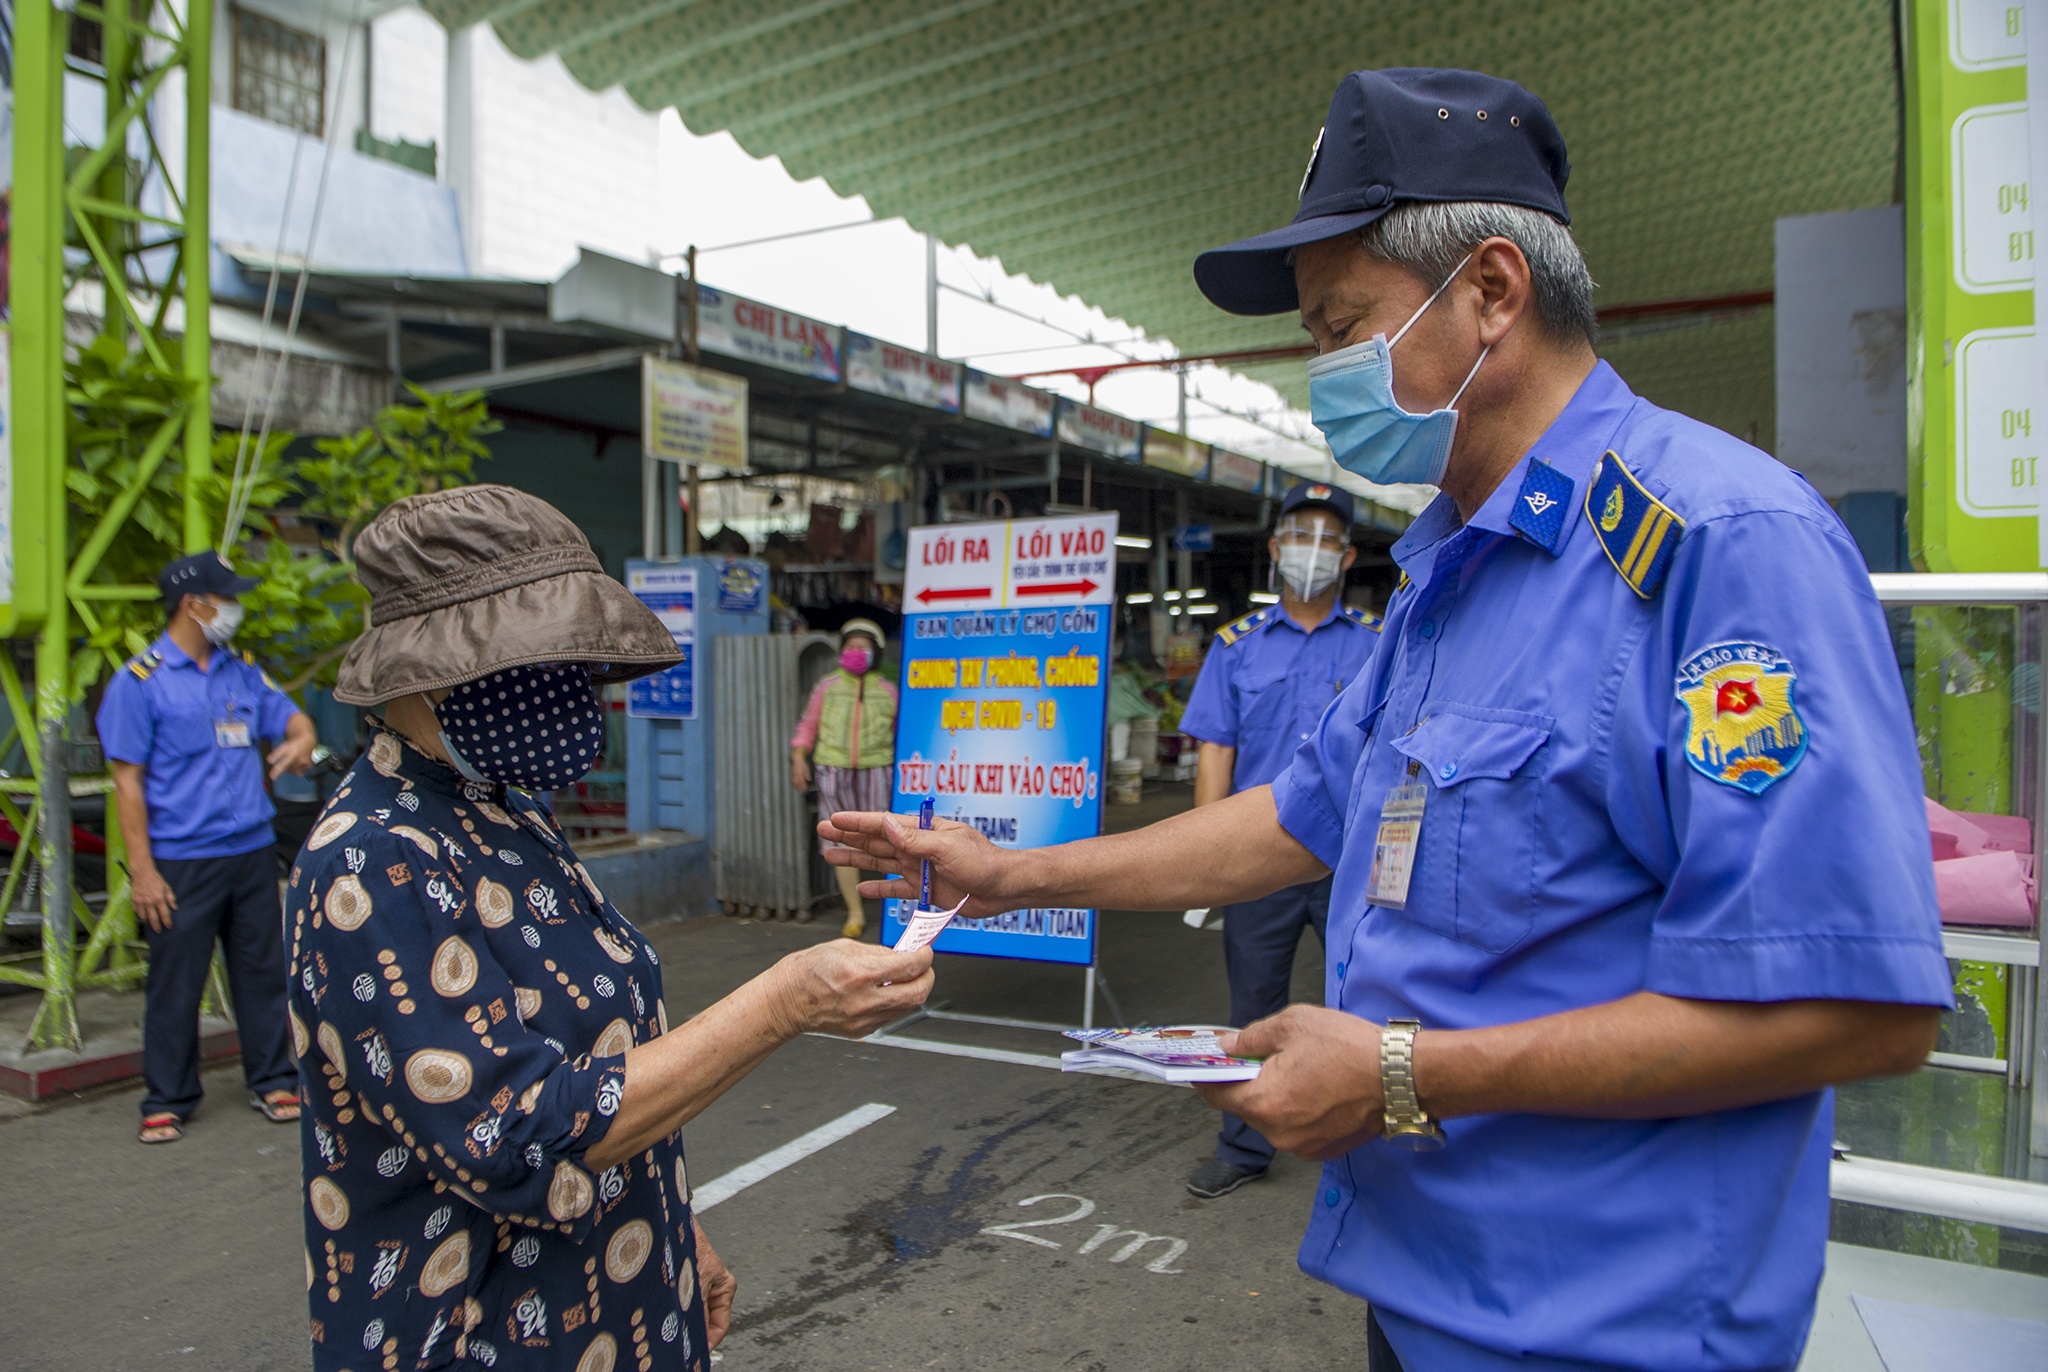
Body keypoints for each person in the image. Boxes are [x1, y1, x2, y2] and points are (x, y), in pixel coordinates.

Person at [821, 67, 1951, 1372]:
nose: (1321, 374)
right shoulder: (1444, 573)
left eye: (1339, 328)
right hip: (1423, 1293)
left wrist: (1409, 1073)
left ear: (1490, 291)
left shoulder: (1720, 546)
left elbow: (1858, 1005)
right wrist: (1010, 873)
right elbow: (1298, 815)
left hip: (1613, 1327)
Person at [292, 485, 932, 1372]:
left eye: (571, 660)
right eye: (535, 660)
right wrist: (784, 1002)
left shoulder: (503, 809)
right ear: (430, 669)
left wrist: (671, 1226)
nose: (566, 688)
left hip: (622, 1297)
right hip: (489, 1339)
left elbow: (589, 1066)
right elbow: (512, 1139)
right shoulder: (371, 861)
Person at [1177, 480, 1379, 1198]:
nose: (1312, 549)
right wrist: (1206, 862)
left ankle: (1372, 1144)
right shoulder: (1237, 649)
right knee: (1252, 1007)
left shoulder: (1377, 645)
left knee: (1369, 996)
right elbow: (1214, 753)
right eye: (1299, 534)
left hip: (1352, 860)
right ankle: (1244, 1145)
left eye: (1328, 538)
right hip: (1261, 860)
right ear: (1274, 548)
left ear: (1348, 554)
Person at [96, 550, 318, 1145]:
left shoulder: (242, 671)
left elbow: (294, 721)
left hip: (249, 849)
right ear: (195, 604)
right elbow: (127, 784)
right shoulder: (138, 683)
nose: (234, 607)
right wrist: (142, 871)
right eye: (226, 596)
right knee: (177, 981)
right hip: (181, 859)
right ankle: (166, 1098)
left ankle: (273, 1079)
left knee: (263, 972)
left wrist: (300, 740)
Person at [789, 618, 898, 937]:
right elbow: (808, 725)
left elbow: (899, 733)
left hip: (877, 769)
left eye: (863, 648)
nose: (856, 653)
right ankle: (855, 913)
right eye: (850, 647)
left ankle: (890, 907)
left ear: (875, 654)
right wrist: (799, 757)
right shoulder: (828, 686)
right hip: (833, 770)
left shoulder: (889, 691)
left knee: (884, 839)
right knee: (840, 839)